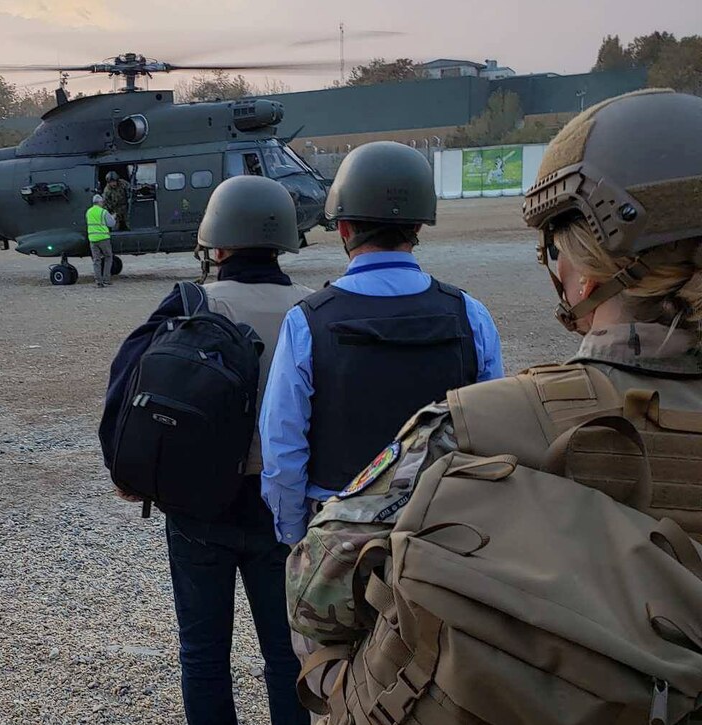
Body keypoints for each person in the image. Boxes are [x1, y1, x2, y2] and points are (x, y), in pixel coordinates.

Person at [287, 89, 702, 723]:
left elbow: (313, 589)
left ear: (585, 272)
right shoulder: (468, 314)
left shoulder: (484, 424)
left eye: (558, 247)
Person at [100, 176, 314, 725]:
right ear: (286, 241)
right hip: (284, 512)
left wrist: (130, 473)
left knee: (202, 655)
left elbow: (126, 381)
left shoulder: (193, 302)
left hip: (197, 506)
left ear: (216, 245)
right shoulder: (315, 309)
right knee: (286, 657)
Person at [259, 141, 503, 547]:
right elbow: (493, 431)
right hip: (442, 531)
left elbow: (283, 445)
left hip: (341, 535)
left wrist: (293, 533)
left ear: (343, 228)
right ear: (419, 226)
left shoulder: (308, 321)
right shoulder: (469, 313)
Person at [86, 194, 116, 287]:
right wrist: (113, 217)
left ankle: (98, 281)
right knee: (108, 257)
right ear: (99, 202)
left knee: (96, 260)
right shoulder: (103, 212)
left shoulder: (88, 212)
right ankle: (106, 279)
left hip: (92, 239)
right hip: (103, 238)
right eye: (102, 202)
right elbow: (111, 224)